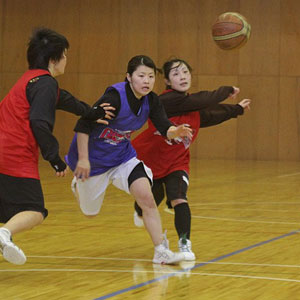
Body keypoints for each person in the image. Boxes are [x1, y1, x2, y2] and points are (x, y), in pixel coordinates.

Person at [0, 27, 114, 265]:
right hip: (13, 155)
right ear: (54, 59)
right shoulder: (45, 85)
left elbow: (66, 100)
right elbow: (39, 122)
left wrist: (93, 113)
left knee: (8, 210)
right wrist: (54, 157)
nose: (66, 59)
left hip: (4, 152)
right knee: (34, 211)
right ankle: (3, 235)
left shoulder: (33, 81)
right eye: (64, 54)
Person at [65, 55, 193, 265]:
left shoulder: (151, 100)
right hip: (93, 162)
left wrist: (175, 130)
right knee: (89, 213)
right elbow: (83, 126)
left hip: (122, 158)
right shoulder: (114, 98)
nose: (147, 81)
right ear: (129, 77)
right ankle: (77, 185)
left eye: (151, 76)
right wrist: (84, 160)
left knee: (147, 198)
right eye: (141, 76)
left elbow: (163, 126)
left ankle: (160, 250)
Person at [132, 58, 251, 261]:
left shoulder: (191, 108)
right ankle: (140, 210)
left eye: (186, 72)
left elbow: (210, 115)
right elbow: (202, 100)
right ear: (168, 81)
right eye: (176, 74)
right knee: (149, 201)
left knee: (178, 196)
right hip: (151, 161)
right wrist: (226, 90)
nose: (183, 76)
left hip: (177, 162)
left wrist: (236, 109)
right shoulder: (166, 101)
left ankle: (184, 244)